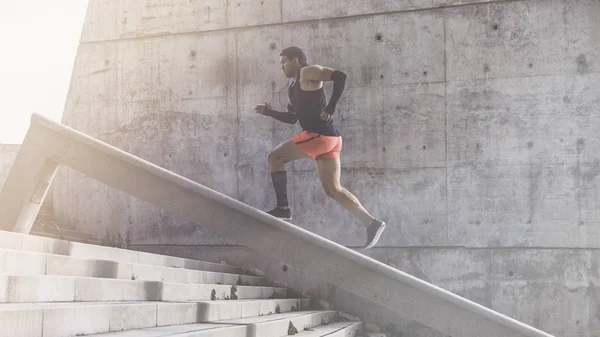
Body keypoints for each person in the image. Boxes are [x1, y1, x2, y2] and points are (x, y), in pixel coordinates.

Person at [254, 46, 386, 250]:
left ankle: (283, 208)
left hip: (318, 136)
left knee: (275, 158)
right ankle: (372, 223)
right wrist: (269, 112)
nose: (282, 67)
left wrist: (331, 106)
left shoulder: (308, 72)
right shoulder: (293, 88)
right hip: (330, 139)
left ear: (296, 60)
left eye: (284, 62)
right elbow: (292, 119)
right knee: (333, 189)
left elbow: (340, 76)